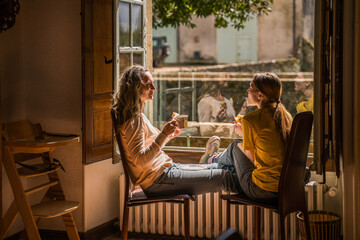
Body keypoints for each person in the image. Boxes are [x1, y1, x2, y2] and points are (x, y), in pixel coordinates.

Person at [112, 65, 238, 197]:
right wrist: (163, 134)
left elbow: (151, 148)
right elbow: (140, 161)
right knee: (224, 176)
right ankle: (255, 191)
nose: (154, 88)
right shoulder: (133, 120)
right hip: (158, 180)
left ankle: (215, 160)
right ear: (135, 89)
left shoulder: (138, 116)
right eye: (148, 85)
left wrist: (167, 136)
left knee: (223, 169)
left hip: (167, 170)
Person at [202, 73, 293, 204]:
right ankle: (215, 161)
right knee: (234, 157)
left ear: (260, 95)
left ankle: (212, 159)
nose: (248, 90)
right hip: (285, 188)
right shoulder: (286, 117)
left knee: (235, 146)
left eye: (250, 87)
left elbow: (254, 160)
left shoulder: (251, 120)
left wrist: (244, 133)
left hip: (260, 190)